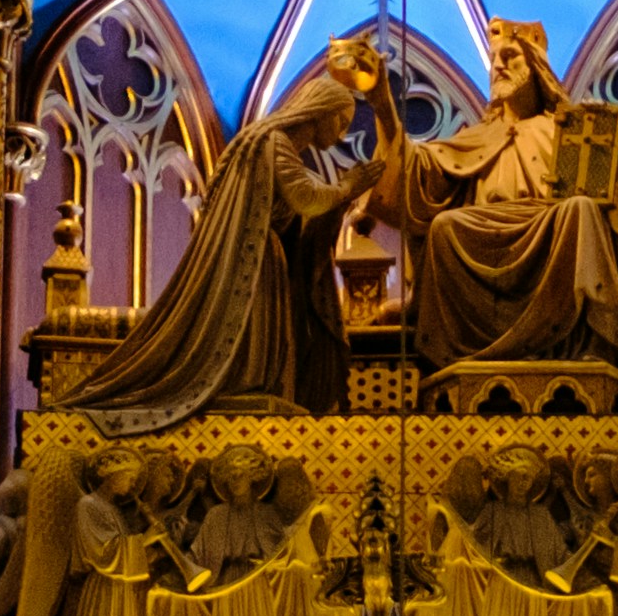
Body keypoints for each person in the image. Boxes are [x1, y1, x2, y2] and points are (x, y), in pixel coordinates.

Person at [78, 32, 400, 423]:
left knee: (268, 339)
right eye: (342, 121)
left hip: (266, 257)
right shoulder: (273, 141)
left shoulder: (274, 145)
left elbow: (299, 209)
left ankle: (259, 387)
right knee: (252, 337)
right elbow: (307, 199)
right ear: (322, 111)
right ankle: (247, 386)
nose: (344, 133)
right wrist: (350, 184)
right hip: (253, 259)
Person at [382, 21, 618, 372]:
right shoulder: (477, 138)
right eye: (494, 60)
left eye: (509, 56)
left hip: (549, 233)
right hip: (487, 232)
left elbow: (600, 201)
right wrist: (380, 101)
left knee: (581, 209)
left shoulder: (563, 129)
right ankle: (461, 347)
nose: (498, 67)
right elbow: (415, 171)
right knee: (444, 227)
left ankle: (587, 340)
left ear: (536, 67)